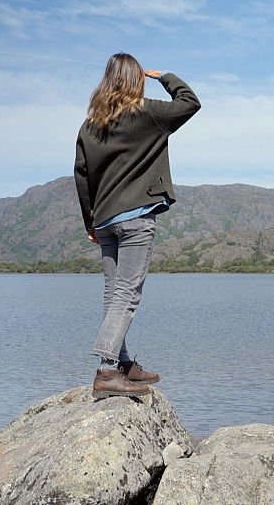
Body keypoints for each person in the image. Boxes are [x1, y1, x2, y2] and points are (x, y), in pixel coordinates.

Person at [74, 53, 200, 398]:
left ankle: (122, 364)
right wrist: (164, 76)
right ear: (135, 81)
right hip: (135, 218)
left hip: (104, 221)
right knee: (126, 296)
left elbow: (81, 176)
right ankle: (106, 371)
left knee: (113, 292)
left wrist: (90, 221)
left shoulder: (90, 126)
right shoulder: (146, 114)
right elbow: (190, 102)